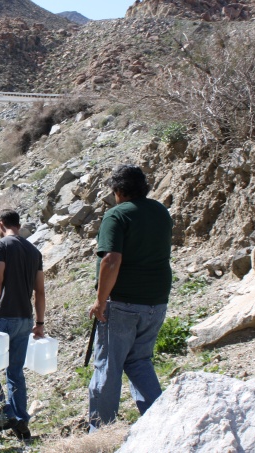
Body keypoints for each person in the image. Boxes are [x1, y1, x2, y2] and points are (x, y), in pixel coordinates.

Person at [88, 164, 173, 431]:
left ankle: (99, 433)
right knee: (139, 361)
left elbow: (111, 260)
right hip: (157, 300)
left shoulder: (117, 216)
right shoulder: (160, 211)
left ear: (119, 191)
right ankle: (156, 425)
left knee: (107, 368)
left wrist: (101, 301)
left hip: (124, 303)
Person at [0, 209, 46, 440]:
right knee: (15, 372)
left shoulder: (1, 246)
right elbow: (40, 291)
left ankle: (7, 414)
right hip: (25, 319)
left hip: (2, 316)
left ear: (0, 224)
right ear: (18, 223)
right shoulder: (34, 251)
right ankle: (22, 423)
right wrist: (40, 322)